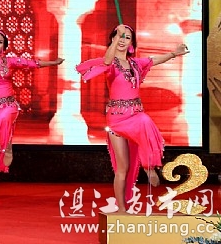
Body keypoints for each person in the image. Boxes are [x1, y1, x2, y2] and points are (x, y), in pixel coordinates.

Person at [76, 24, 188, 213]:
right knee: (122, 169)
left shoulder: (136, 64)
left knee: (145, 121)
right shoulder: (110, 64)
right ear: (113, 39)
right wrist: (116, 37)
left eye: (127, 37)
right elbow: (107, 60)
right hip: (117, 120)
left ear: (131, 44)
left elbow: (154, 60)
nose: (123, 40)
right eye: (119, 36)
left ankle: (149, 166)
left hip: (135, 115)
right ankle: (121, 208)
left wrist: (174, 53)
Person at [0, 29, 64, 200]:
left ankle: (7, 145)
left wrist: (53, 62)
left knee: (6, 116)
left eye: (0, 42)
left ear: (4, 46)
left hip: (8, 106)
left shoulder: (10, 61)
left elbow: (32, 63)